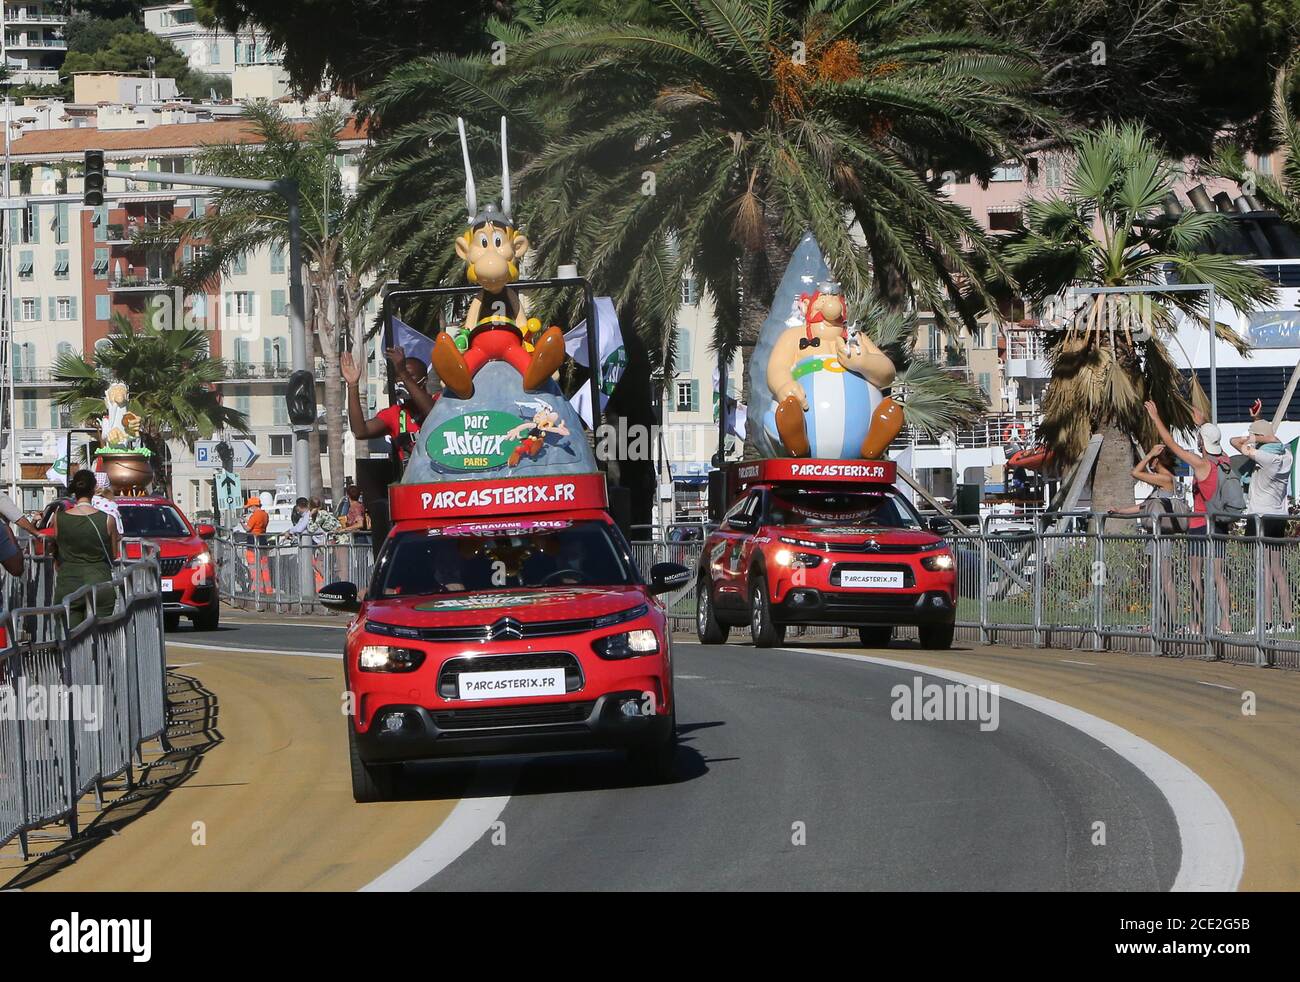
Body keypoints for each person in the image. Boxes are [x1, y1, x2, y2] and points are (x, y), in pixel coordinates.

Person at [1146, 401, 1232, 634]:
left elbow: (1173, 446)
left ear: (1202, 442)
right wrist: (1203, 424)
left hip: (1199, 524)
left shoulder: (1202, 464)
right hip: (1219, 524)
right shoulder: (1224, 461)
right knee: (1219, 575)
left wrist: (1156, 418)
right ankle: (1226, 622)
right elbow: (1214, 441)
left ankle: (1196, 622)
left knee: (1196, 576)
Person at [1231, 408, 1295, 634]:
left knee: (1264, 571)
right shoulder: (1285, 456)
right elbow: (1273, 439)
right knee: (1277, 571)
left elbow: (1233, 442)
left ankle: (1266, 622)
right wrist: (1257, 422)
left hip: (1260, 517)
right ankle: (1288, 621)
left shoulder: (1265, 458)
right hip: (1278, 517)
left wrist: (1251, 437)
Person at [341, 345, 435, 467]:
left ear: (424, 381)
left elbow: (432, 415)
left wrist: (403, 372)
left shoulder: (439, 402)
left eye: (409, 376)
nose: (402, 381)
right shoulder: (395, 414)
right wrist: (353, 384)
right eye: (398, 377)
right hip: (412, 481)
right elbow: (360, 431)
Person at [53, 468, 121, 627]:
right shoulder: (107, 519)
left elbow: (57, 548)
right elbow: (113, 554)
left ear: (75, 491)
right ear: (93, 489)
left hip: (68, 583)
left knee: (70, 640)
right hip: (99, 583)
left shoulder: (59, 518)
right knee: (100, 638)